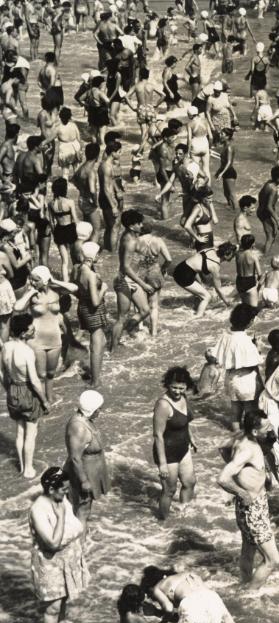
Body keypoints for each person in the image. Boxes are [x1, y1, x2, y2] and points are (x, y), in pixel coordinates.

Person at [218, 410, 279, 587]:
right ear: (254, 431)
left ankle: (244, 583)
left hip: (249, 508)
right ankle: (250, 594)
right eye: (266, 427)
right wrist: (242, 492)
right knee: (272, 560)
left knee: (249, 548)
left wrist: (243, 478)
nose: (270, 429)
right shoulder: (248, 449)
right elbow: (222, 478)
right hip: (252, 508)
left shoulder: (240, 436)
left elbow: (222, 446)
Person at [29, 466, 89, 623]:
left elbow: (77, 526)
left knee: (64, 595)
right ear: (51, 489)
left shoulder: (60, 499)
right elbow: (53, 543)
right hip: (50, 561)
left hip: (67, 557)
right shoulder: (38, 509)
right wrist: (61, 517)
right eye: (63, 489)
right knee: (52, 606)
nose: (66, 492)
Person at [15, 265, 78, 403]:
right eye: (31, 279)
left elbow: (74, 288)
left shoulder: (56, 291)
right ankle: (41, 401)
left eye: (35, 280)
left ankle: (50, 398)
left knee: (50, 374)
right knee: (41, 375)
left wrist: (53, 280)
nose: (32, 282)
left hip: (54, 338)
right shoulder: (31, 294)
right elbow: (17, 307)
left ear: (44, 280)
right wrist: (30, 293)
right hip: (36, 340)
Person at [0, 313, 49, 479]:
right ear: (23, 333)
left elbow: (2, 374)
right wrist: (44, 401)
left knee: (19, 431)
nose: (33, 329)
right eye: (31, 328)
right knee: (31, 433)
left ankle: (21, 466)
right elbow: (35, 381)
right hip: (27, 390)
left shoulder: (6, 347)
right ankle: (29, 470)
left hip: (13, 389)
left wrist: (9, 390)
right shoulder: (27, 352)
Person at [64, 389, 109, 540]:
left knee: (84, 509)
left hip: (90, 470)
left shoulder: (84, 421)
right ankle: (79, 547)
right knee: (82, 511)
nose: (100, 411)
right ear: (91, 409)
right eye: (98, 408)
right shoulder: (79, 427)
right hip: (83, 473)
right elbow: (75, 458)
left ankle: (79, 540)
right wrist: (84, 480)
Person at [152, 367, 196, 520]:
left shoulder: (184, 398)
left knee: (190, 482)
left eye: (181, 388)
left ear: (186, 387)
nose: (177, 391)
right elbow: (157, 435)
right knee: (169, 490)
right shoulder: (163, 405)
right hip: (167, 451)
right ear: (167, 385)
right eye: (174, 387)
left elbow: (184, 422)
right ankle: (163, 521)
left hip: (183, 448)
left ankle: (184, 513)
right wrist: (162, 464)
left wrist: (191, 437)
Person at [214, 303, 262, 431]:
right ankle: (249, 437)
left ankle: (236, 435)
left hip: (230, 378)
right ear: (249, 322)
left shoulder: (225, 335)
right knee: (250, 412)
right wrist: (257, 348)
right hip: (245, 381)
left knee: (235, 412)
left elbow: (219, 355)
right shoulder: (245, 340)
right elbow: (253, 363)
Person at [111, 210, 152, 350]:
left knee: (145, 310)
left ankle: (127, 330)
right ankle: (113, 348)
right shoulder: (130, 241)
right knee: (122, 317)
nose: (141, 225)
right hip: (124, 280)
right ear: (130, 226)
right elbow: (126, 267)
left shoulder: (131, 235)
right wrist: (144, 284)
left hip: (132, 279)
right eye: (138, 223)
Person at [71, 241, 108, 387]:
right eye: (98, 253)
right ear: (93, 256)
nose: (99, 255)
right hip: (93, 310)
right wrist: (103, 289)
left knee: (101, 342)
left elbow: (76, 289)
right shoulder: (91, 275)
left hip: (83, 307)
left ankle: (95, 376)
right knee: (96, 346)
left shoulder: (77, 268)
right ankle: (95, 381)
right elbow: (95, 301)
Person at [172, 242, 236, 318]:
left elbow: (196, 264)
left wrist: (201, 283)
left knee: (201, 291)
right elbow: (218, 289)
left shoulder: (211, 249)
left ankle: (196, 308)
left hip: (180, 267)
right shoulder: (215, 266)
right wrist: (227, 303)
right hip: (184, 276)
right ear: (226, 255)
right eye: (232, 254)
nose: (233, 256)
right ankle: (197, 317)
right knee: (207, 297)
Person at [72, 142, 100, 238]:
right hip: (89, 201)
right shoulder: (91, 171)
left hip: (81, 199)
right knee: (96, 231)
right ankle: (91, 252)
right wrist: (95, 202)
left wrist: (81, 188)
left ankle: (84, 249)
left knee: (87, 230)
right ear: (97, 155)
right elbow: (92, 190)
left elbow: (73, 180)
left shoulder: (81, 168)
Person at [257, 166, 279, 254]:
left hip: (262, 211)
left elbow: (260, 195)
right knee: (270, 237)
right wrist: (278, 220)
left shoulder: (268, 183)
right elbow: (269, 206)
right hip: (265, 213)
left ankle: (265, 251)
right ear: (278, 178)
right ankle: (265, 256)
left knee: (273, 233)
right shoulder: (273, 189)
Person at [236, 234, 261, 308]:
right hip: (249, 281)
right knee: (253, 309)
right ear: (252, 244)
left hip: (239, 281)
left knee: (244, 306)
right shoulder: (253, 256)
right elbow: (259, 273)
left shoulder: (237, 254)